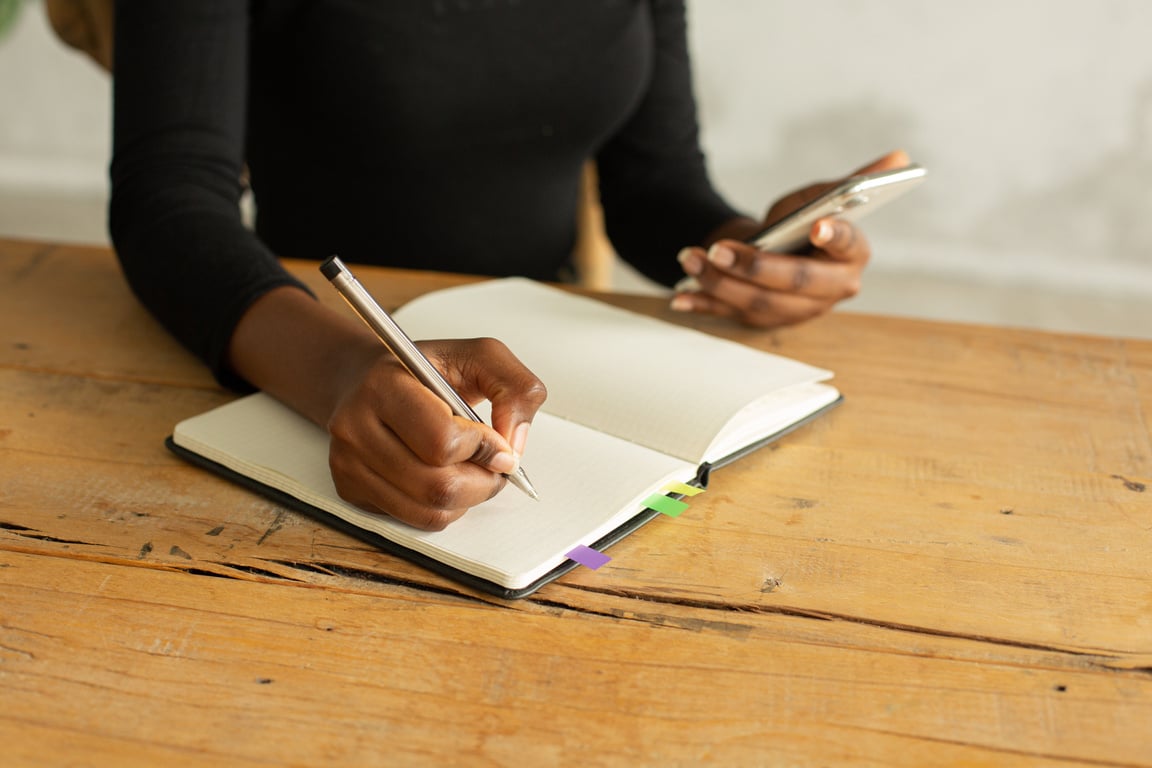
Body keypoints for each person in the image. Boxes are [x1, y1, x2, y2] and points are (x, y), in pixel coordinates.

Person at [109, 1, 909, 530]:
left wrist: (750, 253)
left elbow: (651, 184)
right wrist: (344, 373)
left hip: (542, 351)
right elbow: (169, 202)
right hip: (306, 336)